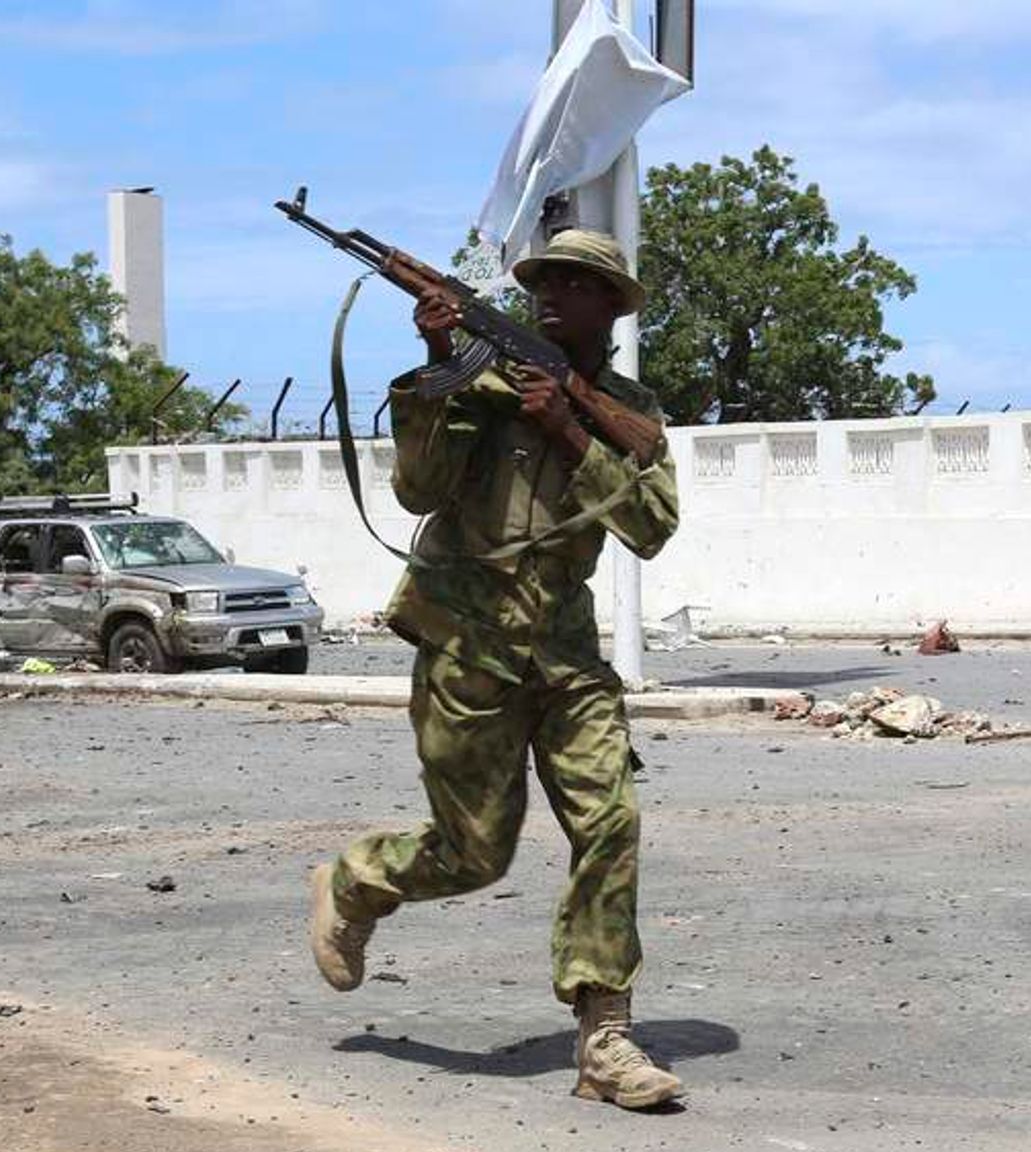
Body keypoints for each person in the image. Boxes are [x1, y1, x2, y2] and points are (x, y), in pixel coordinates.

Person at [307, 229, 684, 1110]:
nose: (551, 293)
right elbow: (417, 490)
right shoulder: (481, 383)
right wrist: (440, 356)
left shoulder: (627, 409)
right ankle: (359, 880)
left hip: (565, 653)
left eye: (574, 282)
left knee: (611, 824)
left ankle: (605, 1042)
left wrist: (569, 426)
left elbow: (654, 526)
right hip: (467, 644)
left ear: (609, 305)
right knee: (475, 855)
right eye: (542, 280)